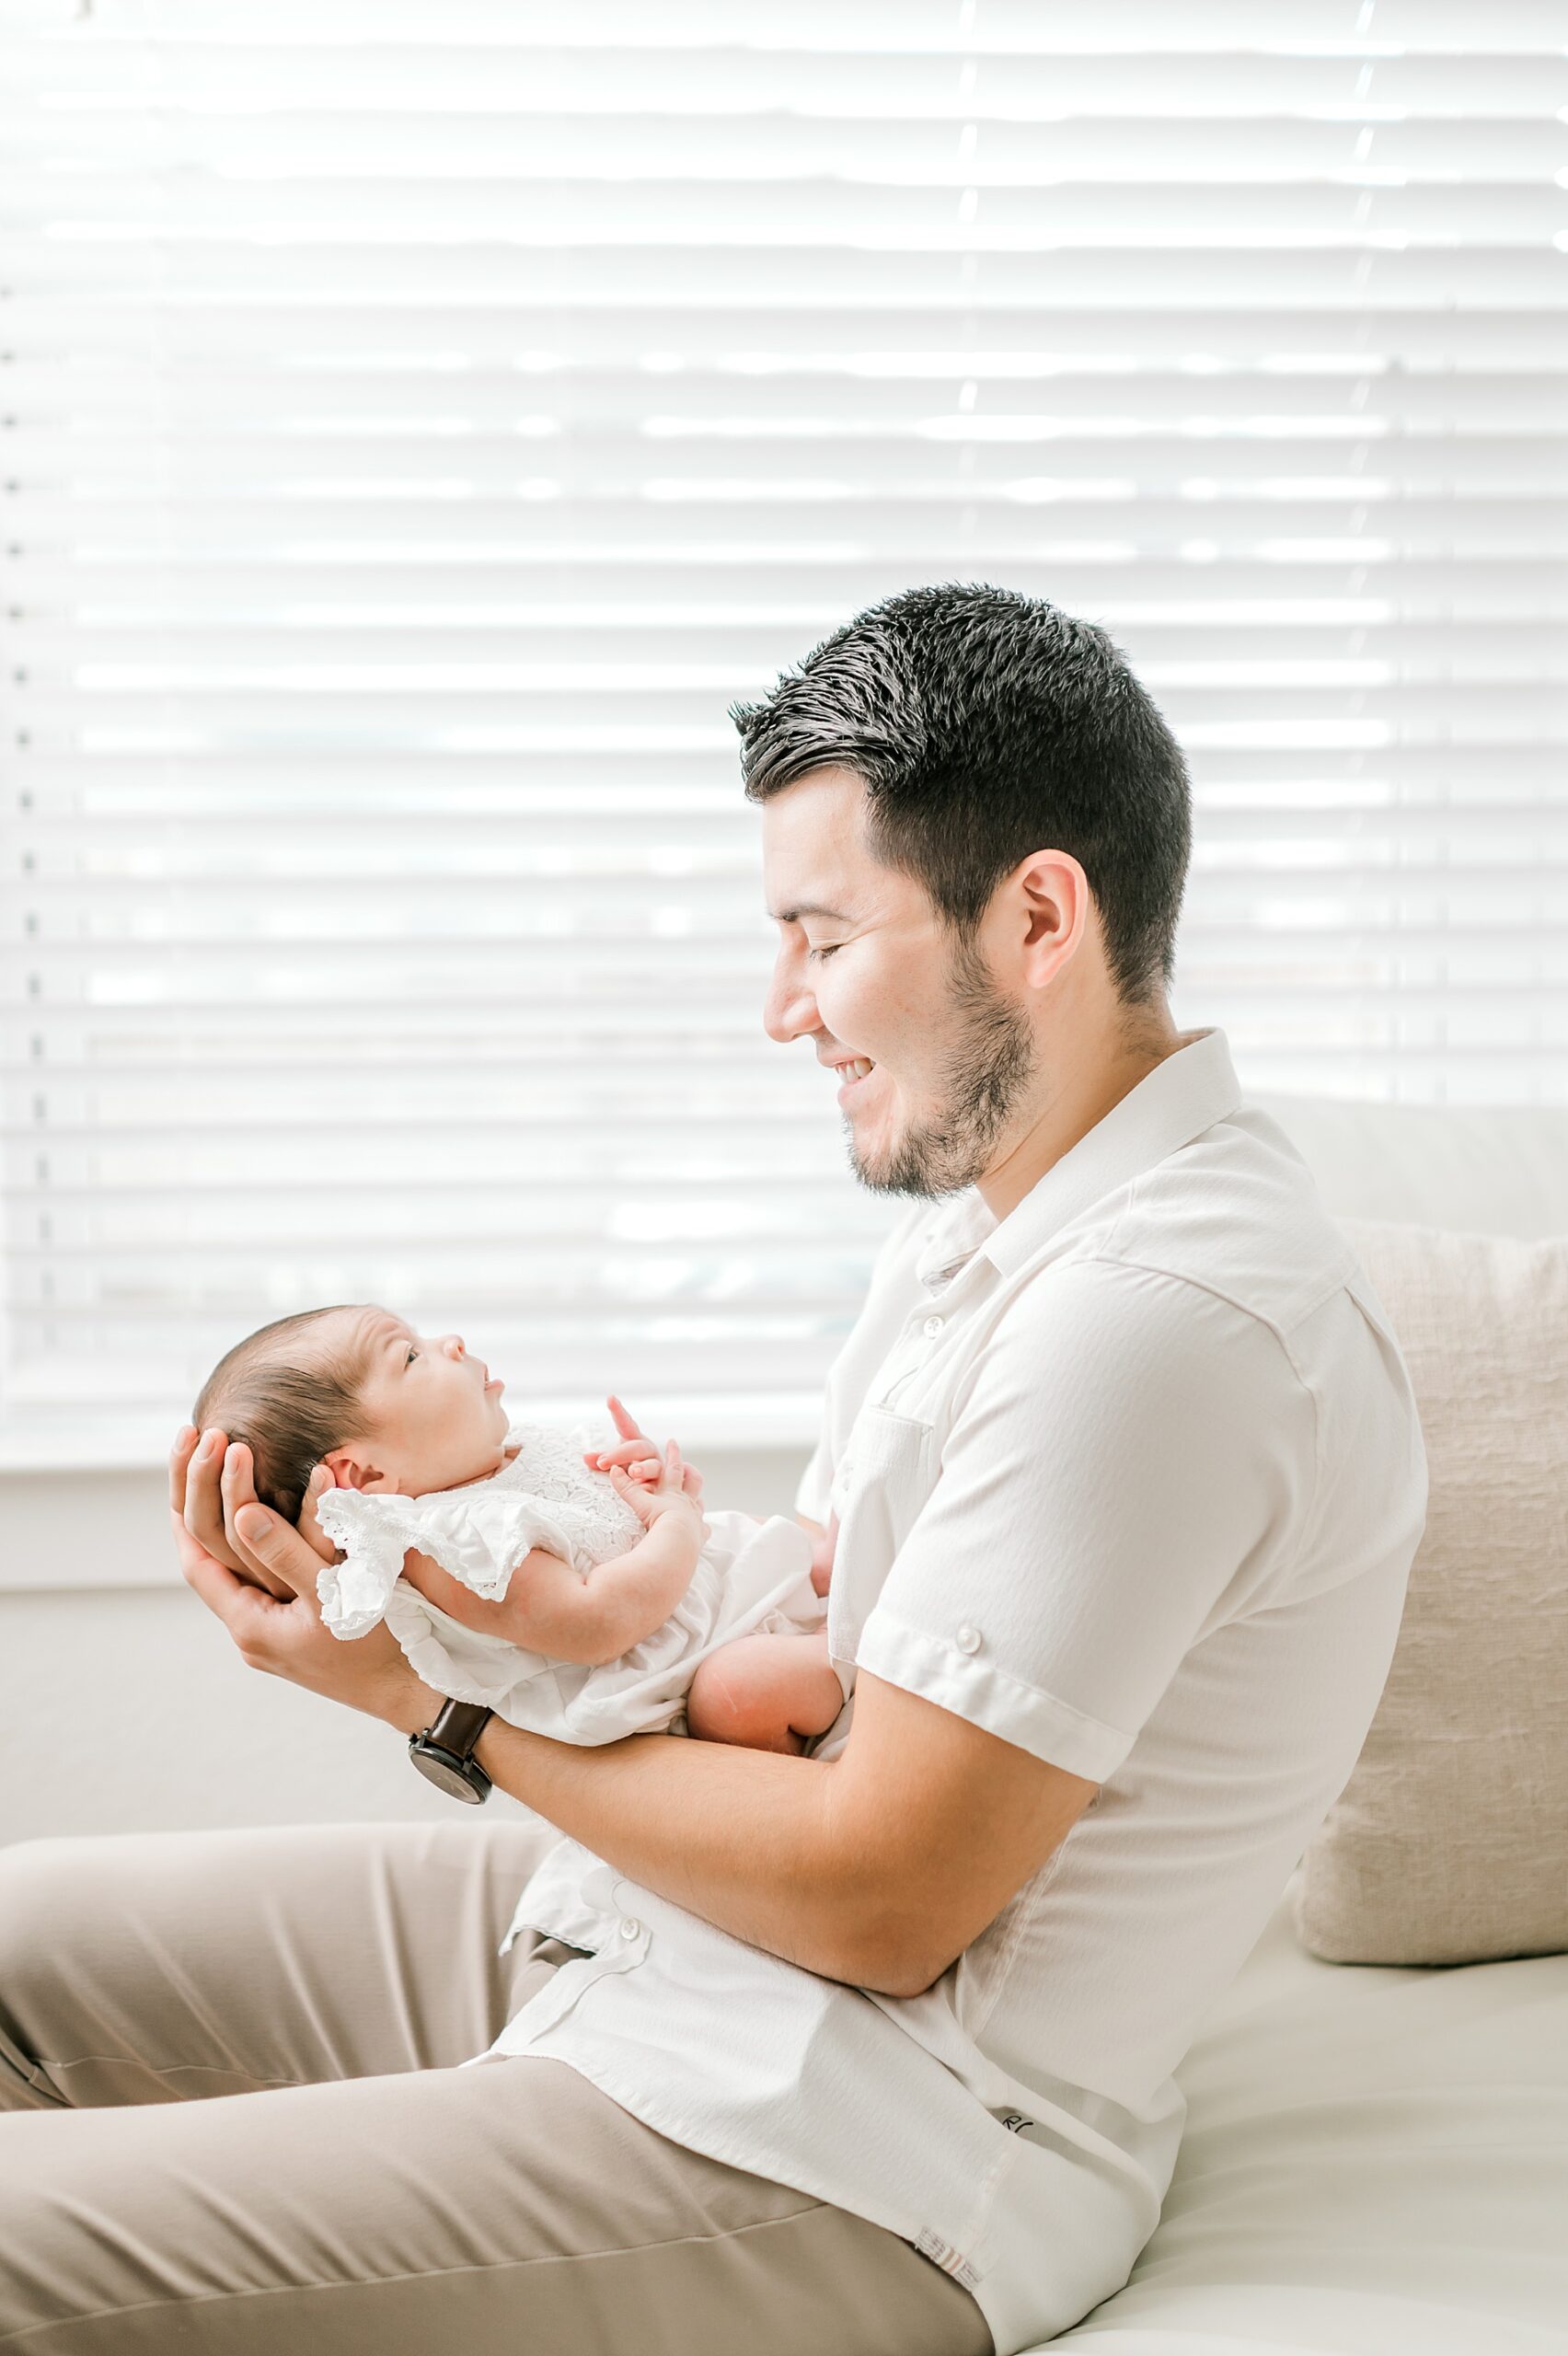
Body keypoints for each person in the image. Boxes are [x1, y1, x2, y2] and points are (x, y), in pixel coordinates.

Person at [0, 584, 1428, 2356]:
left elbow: (878, 1899)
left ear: (1036, 915)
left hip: (843, 2133)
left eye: (820, 937)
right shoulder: (993, 1223)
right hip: (651, 1940)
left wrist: (432, 1705)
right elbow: (801, 1633)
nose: (783, 1010)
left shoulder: (1155, 1318)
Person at [189, 1301, 840, 1751]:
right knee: (741, 1693)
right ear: (364, 1477)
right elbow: (598, 1622)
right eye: (411, 1358)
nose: (452, 1344)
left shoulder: (507, 1462)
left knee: (814, 1548)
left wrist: (649, 1488)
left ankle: (847, 1595)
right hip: (696, 1667)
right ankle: (860, 1657)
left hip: (717, 1596)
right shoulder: (452, 1549)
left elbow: (607, 1528)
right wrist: (676, 1526)